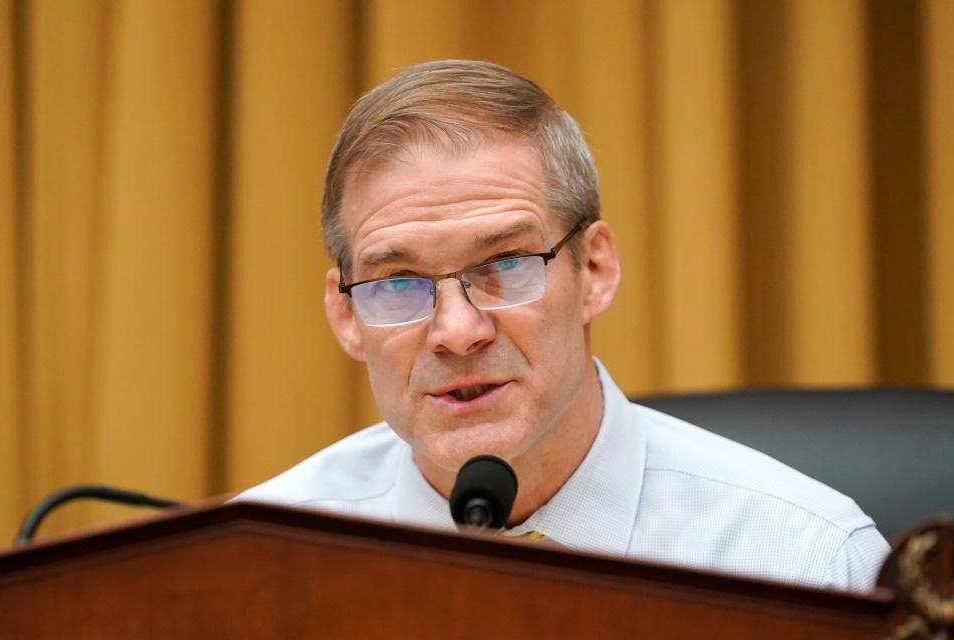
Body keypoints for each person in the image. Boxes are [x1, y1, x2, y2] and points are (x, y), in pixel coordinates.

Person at [238, 59, 889, 591]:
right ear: (346, 315)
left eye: (503, 264)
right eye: (397, 284)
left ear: (596, 268)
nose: (457, 332)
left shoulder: (808, 563)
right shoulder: (252, 565)